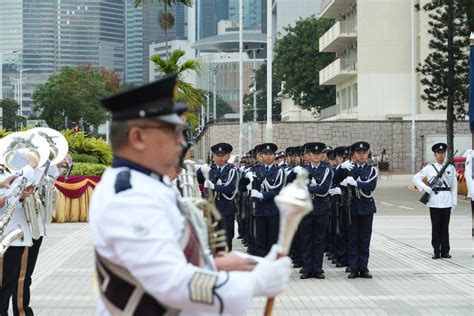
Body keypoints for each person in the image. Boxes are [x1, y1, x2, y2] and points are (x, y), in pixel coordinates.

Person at [89, 75, 292, 315]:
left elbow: (175, 258)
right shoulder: (130, 197)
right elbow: (173, 283)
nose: (181, 142)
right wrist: (253, 284)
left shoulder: (149, 184)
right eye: (172, 132)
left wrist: (243, 264)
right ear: (137, 137)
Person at [337, 141, 378, 279]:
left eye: (364, 153)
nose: (361, 156)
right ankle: (354, 267)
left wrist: (356, 183)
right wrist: (340, 168)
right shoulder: (348, 168)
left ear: (367, 154)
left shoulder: (371, 170)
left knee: (365, 239)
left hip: (366, 208)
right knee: (353, 238)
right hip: (351, 206)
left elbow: (371, 186)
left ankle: (363, 267)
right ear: (353, 154)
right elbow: (335, 180)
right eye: (358, 153)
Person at [413, 143, 457, 259]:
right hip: (434, 201)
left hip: (447, 200)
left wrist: (454, 202)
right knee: (436, 226)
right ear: (435, 154)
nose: (441, 155)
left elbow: (454, 186)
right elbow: (416, 178)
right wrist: (425, 188)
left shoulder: (450, 168)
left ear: (445, 154)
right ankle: (436, 250)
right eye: (439, 153)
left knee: (445, 227)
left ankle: (445, 251)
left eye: (443, 153)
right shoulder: (429, 168)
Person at [298, 142, 333, 280]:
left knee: (319, 240)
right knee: (306, 239)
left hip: (320, 208)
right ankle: (307, 268)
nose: (317, 156)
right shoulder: (302, 170)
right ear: (308, 155)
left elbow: (324, 189)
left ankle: (317, 268)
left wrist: (308, 189)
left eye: (319, 154)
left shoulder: (326, 170)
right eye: (314, 154)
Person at [198, 143, 238, 251]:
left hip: (227, 209)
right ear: (213, 156)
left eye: (222, 155)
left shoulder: (232, 170)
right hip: (211, 209)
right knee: (212, 239)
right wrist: (200, 170)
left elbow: (231, 188)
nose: (219, 158)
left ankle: (227, 262)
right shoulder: (208, 169)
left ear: (228, 156)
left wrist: (214, 186)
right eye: (217, 155)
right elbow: (198, 180)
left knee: (227, 239)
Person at [250, 143, 285, 257]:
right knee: (260, 241)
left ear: (274, 156)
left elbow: (279, 190)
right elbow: (249, 188)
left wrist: (262, 195)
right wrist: (246, 182)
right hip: (260, 210)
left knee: (273, 241)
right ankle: (262, 267)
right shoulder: (255, 170)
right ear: (261, 155)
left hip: (274, 210)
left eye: (271, 154)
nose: (268, 156)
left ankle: (272, 267)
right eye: (265, 154)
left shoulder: (279, 171)